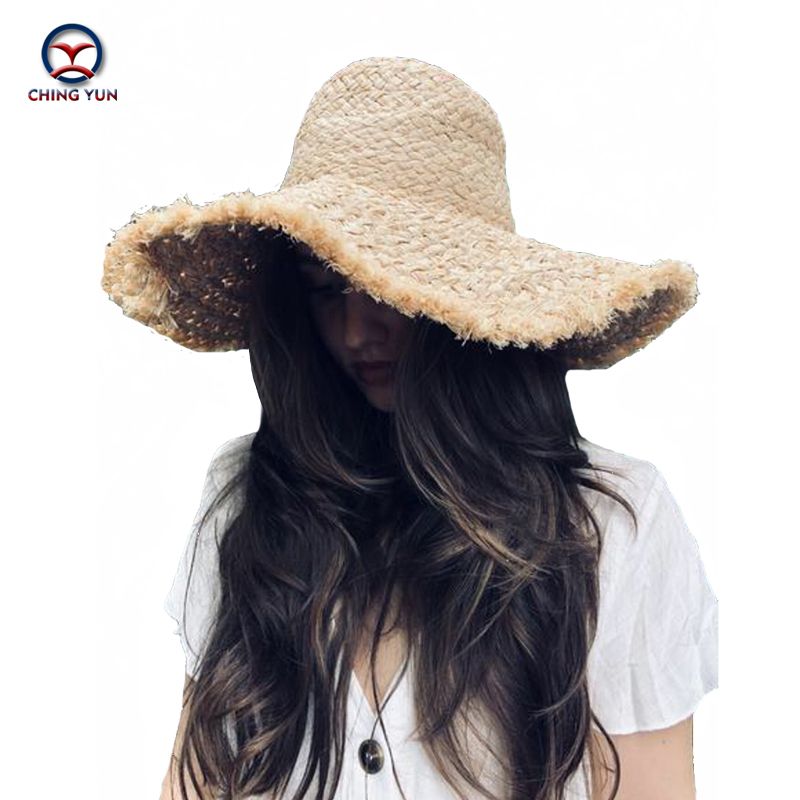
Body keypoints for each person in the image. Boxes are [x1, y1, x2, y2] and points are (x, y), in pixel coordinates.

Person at [102, 57, 718, 800]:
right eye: (326, 290)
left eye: (389, 289)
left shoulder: (611, 525)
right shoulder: (251, 497)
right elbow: (193, 781)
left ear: (472, 297)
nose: (356, 330)